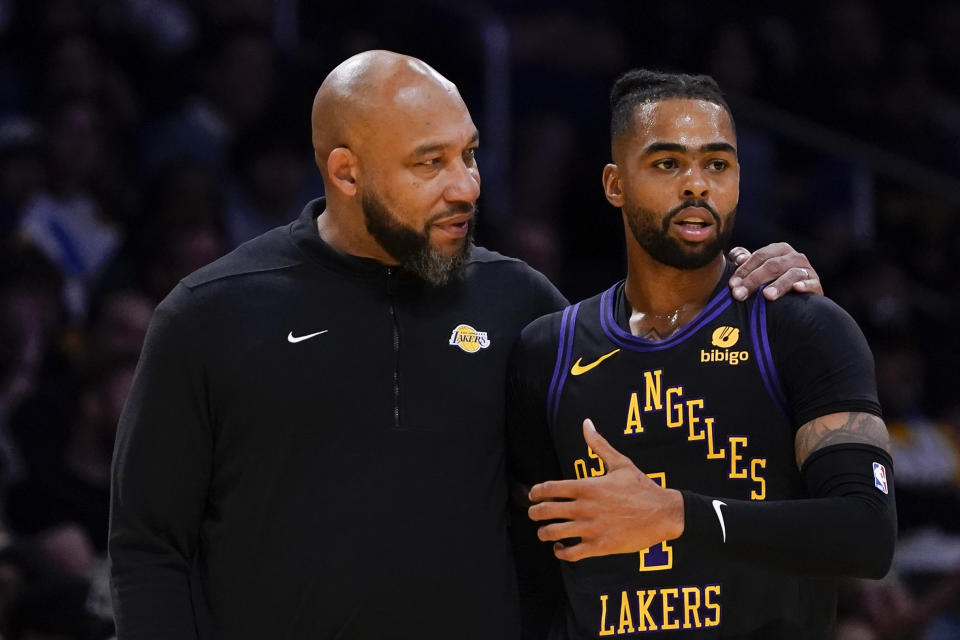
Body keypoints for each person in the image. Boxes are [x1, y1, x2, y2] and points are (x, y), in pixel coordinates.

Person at [109, 51, 823, 639]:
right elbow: (149, 549)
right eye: (430, 164)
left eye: (470, 154)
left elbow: (665, 459)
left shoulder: (522, 304)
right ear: (346, 172)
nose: (466, 187)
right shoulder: (209, 316)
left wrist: (769, 318)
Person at [508, 69, 896, 639]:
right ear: (615, 185)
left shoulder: (802, 326)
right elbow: (530, 557)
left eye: (717, 164)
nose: (697, 184)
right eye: (668, 164)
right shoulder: (547, 350)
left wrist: (676, 516)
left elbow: (867, 534)